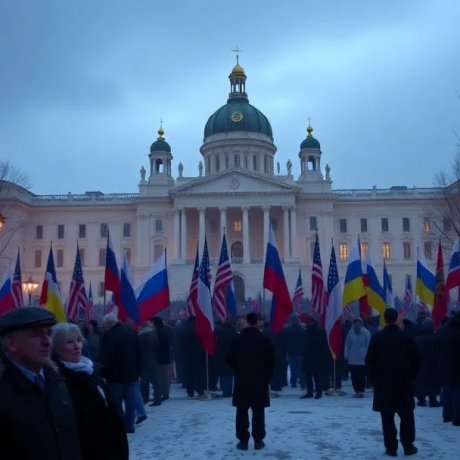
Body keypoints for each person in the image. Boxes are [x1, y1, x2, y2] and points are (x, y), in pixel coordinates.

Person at [0, 307, 81, 459]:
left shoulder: (57, 381)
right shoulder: (4, 390)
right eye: (36, 335)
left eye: (49, 333)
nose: (46, 342)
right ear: (11, 343)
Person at [52, 323, 129, 460]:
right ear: (56, 347)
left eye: (78, 340)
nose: (77, 346)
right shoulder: (58, 380)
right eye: (69, 342)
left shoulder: (92, 371)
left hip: (111, 449)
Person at [365, 308, 420, 457]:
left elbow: (369, 361)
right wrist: (410, 377)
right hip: (404, 384)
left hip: (384, 385)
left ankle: (391, 448)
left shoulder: (377, 338)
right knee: (407, 416)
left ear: (385, 319)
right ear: (396, 319)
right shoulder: (406, 338)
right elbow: (416, 362)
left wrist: (374, 379)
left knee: (387, 418)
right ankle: (408, 445)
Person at [227, 312, 275, 451]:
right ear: (257, 322)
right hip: (260, 381)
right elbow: (271, 361)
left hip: (242, 380)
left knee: (241, 411)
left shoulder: (237, 339)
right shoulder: (265, 339)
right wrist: (267, 378)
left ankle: (243, 441)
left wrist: (238, 370)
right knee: (258, 411)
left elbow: (229, 359)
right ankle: (258, 441)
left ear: (247, 321)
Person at [100, 313, 140, 433]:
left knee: (116, 402)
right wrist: (139, 370)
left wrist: (104, 372)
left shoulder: (108, 336)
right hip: (132, 374)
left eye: (105, 325)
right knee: (130, 402)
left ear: (109, 324)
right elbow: (138, 354)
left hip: (115, 376)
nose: (104, 327)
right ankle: (130, 425)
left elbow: (108, 357)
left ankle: (121, 424)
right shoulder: (131, 333)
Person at [344, 317, 370, 398]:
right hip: (352, 358)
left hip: (362, 358)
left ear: (361, 323)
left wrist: (366, 354)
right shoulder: (350, 333)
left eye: (359, 322)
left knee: (361, 376)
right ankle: (356, 390)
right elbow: (347, 345)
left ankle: (361, 390)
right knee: (354, 376)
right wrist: (346, 355)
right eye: (356, 322)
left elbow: (368, 345)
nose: (357, 324)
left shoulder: (366, 333)